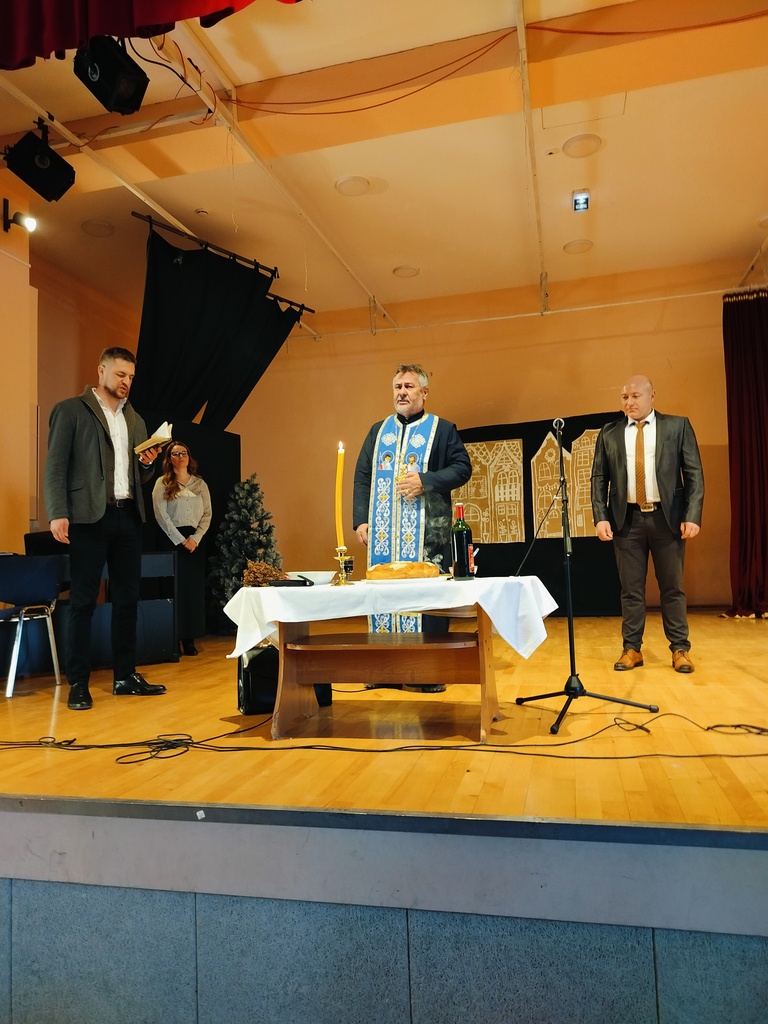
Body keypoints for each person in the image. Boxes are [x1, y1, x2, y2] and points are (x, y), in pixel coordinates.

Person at [44, 346, 168, 710]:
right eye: (120, 374)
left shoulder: (136, 420)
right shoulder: (70, 410)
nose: (126, 382)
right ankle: (78, 682)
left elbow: (138, 477)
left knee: (127, 600)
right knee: (83, 601)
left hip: (127, 516)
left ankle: (124, 676)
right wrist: (57, 512)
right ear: (101, 371)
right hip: (87, 517)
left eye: (131, 377)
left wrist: (147, 464)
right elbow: (55, 466)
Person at [353, 363, 472, 692]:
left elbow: (463, 468)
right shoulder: (378, 432)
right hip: (383, 535)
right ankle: (384, 670)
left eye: (408, 386)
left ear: (424, 392)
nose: (402, 393)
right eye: (397, 387)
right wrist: (361, 519)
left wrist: (426, 481)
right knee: (382, 595)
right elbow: (362, 476)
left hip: (428, 532)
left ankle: (428, 672)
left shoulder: (442, 429)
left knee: (427, 599)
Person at [590, 374, 704, 674]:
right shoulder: (610, 432)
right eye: (625, 397)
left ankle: (680, 649)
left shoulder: (677, 426)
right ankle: (632, 648)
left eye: (635, 396)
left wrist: (692, 515)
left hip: (667, 519)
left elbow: (694, 473)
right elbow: (599, 478)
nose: (629, 402)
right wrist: (600, 516)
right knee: (631, 590)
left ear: (652, 395)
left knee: (672, 588)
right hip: (626, 520)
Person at [152, 442, 212, 657]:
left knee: (191, 591)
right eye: (176, 454)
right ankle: (172, 638)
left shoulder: (200, 484)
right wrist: (179, 539)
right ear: (169, 459)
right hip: (172, 541)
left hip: (195, 543)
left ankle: (189, 639)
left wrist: (195, 538)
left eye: (184, 453)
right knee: (173, 590)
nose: (181, 456)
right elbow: (161, 515)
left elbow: (207, 514)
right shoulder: (162, 483)